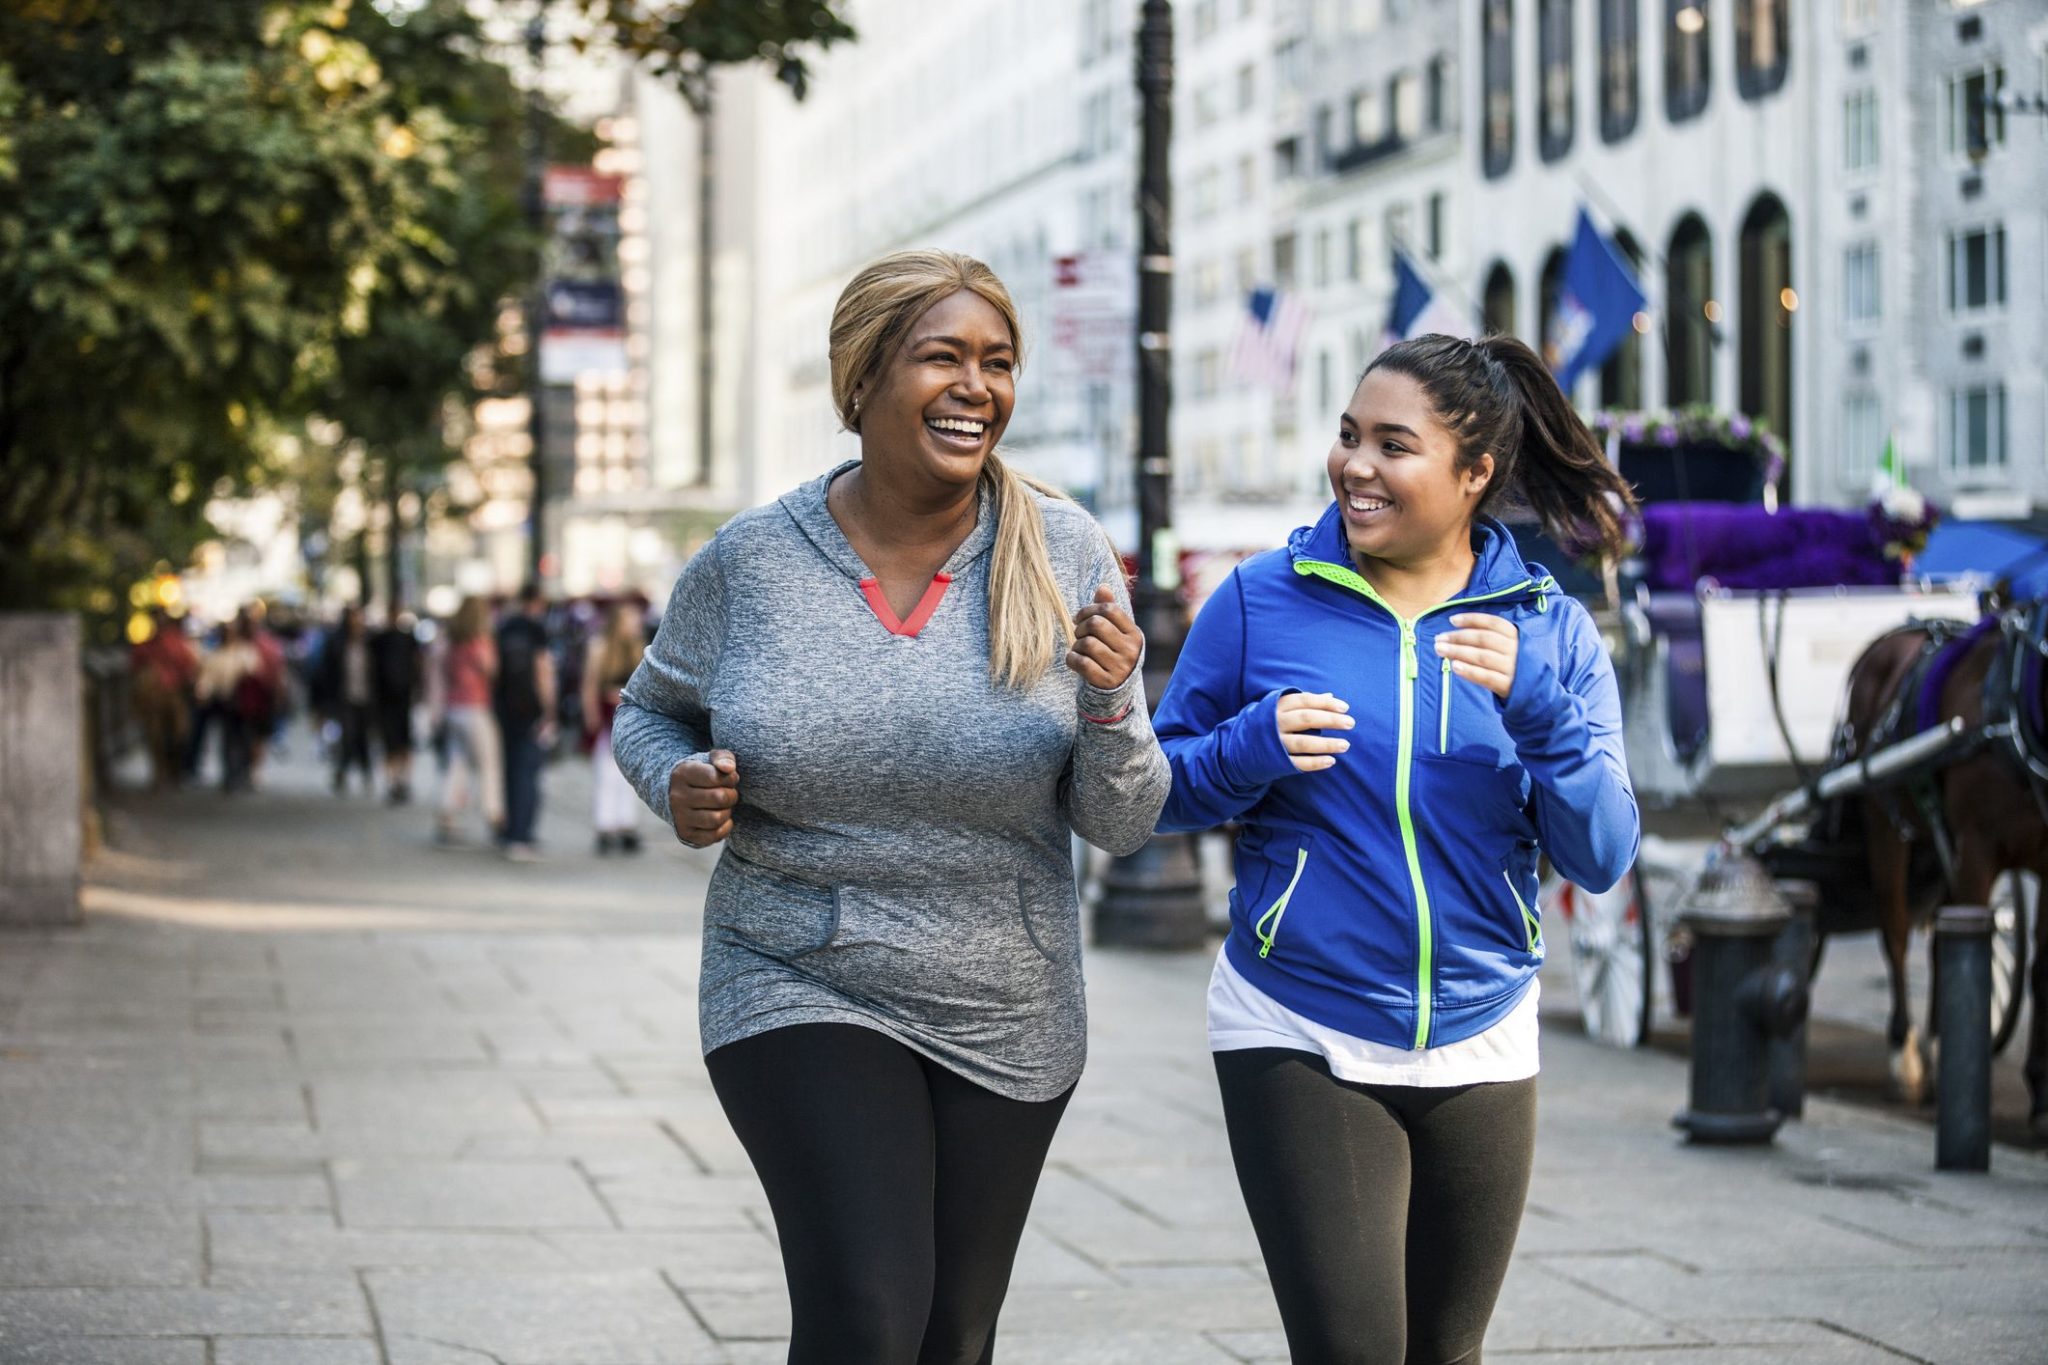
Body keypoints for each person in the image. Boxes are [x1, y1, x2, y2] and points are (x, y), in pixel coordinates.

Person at [611, 249, 1170, 1365]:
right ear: (860, 380)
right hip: (796, 971)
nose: (977, 386)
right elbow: (648, 711)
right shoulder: (753, 562)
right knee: (867, 1315)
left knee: (951, 1336)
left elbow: (1119, 824)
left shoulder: (1061, 552)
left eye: (998, 363)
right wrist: (675, 783)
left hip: (1003, 1003)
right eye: (943, 358)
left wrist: (1113, 703)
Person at [1152, 333, 1641, 1364]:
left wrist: (1538, 713)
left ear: (1473, 476)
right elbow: (1150, 796)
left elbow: (1599, 854)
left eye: (1391, 444)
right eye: (1345, 437)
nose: (1354, 466)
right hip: (1297, 1022)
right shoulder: (1258, 599)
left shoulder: (1545, 631)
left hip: (1483, 1028)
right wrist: (1248, 748)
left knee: (1444, 1355)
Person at [493, 583, 555, 861]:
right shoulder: (535, 629)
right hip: (530, 710)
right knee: (528, 773)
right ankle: (521, 834)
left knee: (509, 770)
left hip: (504, 709)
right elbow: (543, 672)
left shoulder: (504, 626)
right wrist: (550, 710)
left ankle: (508, 831)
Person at [434, 595, 503, 844]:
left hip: (454, 707)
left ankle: (447, 813)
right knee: (489, 763)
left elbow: (441, 672)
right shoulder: (479, 641)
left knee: (457, 763)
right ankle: (494, 814)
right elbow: (491, 669)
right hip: (475, 707)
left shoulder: (451, 641)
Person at [581, 600, 646, 854]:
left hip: (629, 717)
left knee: (628, 776)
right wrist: (591, 716)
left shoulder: (638, 648)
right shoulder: (600, 647)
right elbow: (589, 685)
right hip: (607, 715)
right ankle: (605, 826)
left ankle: (626, 824)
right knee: (606, 773)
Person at [130, 608, 197, 791]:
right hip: (153, 699)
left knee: (178, 735)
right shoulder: (146, 646)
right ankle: (160, 773)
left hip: (174, 695)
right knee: (155, 737)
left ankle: (175, 772)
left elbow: (188, 665)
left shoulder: (176, 642)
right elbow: (135, 665)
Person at [195, 616, 263, 792]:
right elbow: (208, 679)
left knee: (244, 739)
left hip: (245, 704)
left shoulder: (245, 652)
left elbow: (254, 672)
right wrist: (203, 692)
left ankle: (242, 773)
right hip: (226, 703)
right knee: (228, 740)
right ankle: (229, 775)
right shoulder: (217, 656)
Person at [314, 606, 375, 796]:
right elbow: (324, 674)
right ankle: (343, 771)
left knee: (363, 736)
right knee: (348, 735)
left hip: (366, 697)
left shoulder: (369, 642)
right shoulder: (336, 643)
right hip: (344, 697)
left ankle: (365, 771)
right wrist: (321, 704)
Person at [370, 609, 423, 804]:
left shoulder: (388, 640)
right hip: (395, 699)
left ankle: (398, 781)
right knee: (397, 742)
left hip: (397, 699)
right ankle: (398, 781)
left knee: (397, 743)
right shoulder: (388, 640)